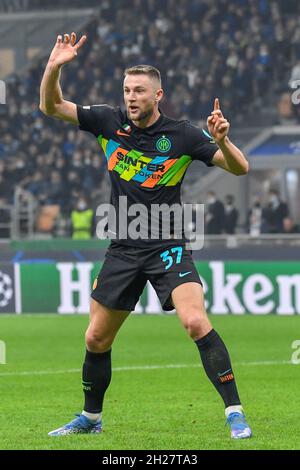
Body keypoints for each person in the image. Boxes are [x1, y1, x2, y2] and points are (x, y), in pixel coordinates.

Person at [40, 32, 251, 439]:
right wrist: (54, 67)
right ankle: (91, 419)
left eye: (139, 90)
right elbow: (50, 106)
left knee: (194, 322)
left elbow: (240, 169)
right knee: (96, 337)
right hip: (123, 246)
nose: (131, 97)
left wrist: (224, 139)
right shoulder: (107, 121)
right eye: (126, 90)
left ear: (159, 96)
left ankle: (235, 413)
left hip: (168, 244)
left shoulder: (185, 135)